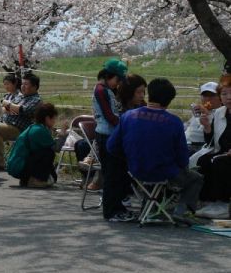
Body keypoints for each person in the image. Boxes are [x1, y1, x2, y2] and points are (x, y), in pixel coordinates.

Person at [107, 78, 204, 224]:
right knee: (195, 178)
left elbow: (111, 146)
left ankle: (153, 207)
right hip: (164, 173)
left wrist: (130, 157)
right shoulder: (174, 122)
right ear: (169, 100)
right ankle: (182, 212)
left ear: (149, 94)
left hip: (135, 171)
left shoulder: (128, 116)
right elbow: (183, 158)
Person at [91, 58, 132, 221]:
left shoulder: (105, 89)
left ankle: (117, 207)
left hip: (110, 134)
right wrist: (125, 124)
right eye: (117, 80)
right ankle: (111, 212)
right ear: (110, 76)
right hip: (107, 135)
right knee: (111, 175)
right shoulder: (101, 90)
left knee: (116, 173)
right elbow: (110, 116)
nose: (118, 83)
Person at [193, 78, 231, 219]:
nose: (229, 98)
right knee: (203, 160)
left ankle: (222, 203)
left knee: (219, 163)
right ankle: (206, 200)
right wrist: (207, 127)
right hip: (222, 152)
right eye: (225, 94)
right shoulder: (220, 113)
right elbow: (212, 142)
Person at [7, 103, 59, 188]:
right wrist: (63, 135)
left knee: (52, 174)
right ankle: (36, 180)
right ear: (47, 118)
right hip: (20, 167)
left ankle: (27, 180)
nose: (54, 121)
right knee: (49, 153)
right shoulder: (40, 130)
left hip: (18, 165)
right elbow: (56, 148)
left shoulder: (34, 127)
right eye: (53, 118)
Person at [185, 82, 220, 153]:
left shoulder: (222, 112)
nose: (208, 99)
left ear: (220, 97)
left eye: (212, 95)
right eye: (204, 95)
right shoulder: (199, 110)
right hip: (185, 143)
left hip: (200, 147)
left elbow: (216, 134)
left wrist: (207, 113)